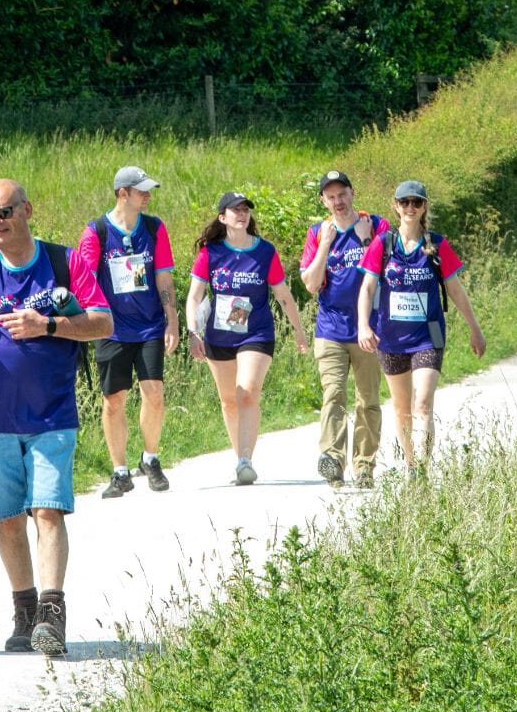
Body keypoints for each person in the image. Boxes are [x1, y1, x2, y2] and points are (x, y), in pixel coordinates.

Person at [0, 179, 112, 658]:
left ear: (27, 209)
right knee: (7, 520)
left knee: (47, 510)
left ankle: (52, 614)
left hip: (51, 414)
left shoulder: (66, 261)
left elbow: (103, 323)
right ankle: (24, 612)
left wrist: (46, 325)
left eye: (4, 211)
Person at [356, 180, 485, 466]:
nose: (410, 208)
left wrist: (475, 328)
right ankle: (412, 466)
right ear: (396, 206)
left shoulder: (437, 244)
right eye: (405, 202)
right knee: (402, 410)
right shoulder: (383, 244)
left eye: (416, 202)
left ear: (424, 206)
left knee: (422, 405)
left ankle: (423, 469)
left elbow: (455, 289)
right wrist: (364, 326)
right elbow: (367, 288)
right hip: (390, 338)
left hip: (428, 336)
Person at [185, 191, 308, 485]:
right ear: (222, 217)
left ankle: (246, 461)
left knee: (247, 391)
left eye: (245, 210)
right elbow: (194, 297)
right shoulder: (210, 253)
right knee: (229, 401)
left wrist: (300, 332)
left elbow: (283, 295)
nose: (242, 214)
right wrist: (192, 333)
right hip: (219, 334)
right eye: (235, 210)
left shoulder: (264, 251)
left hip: (256, 332)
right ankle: (239, 459)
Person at [76, 166, 179, 499]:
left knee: (154, 394)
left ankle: (150, 458)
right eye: (142, 191)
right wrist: (88, 322)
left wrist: (172, 319)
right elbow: (85, 282)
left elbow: (163, 276)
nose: (148, 196)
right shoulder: (96, 232)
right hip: (112, 328)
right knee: (113, 401)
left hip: (150, 325)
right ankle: (120, 472)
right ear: (123, 193)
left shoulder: (154, 227)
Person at [298, 169, 389, 488]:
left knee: (368, 398)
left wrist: (366, 240)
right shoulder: (316, 232)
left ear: (352, 193)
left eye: (342, 194)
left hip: (369, 329)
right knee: (333, 393)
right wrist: (325, 244)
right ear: (323, 200)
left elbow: (387, 270)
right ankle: (333, 460)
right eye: (330, 196)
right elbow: (310, 284)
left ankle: (364, 465)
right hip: (331, 328)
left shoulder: (377, 225)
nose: (337, 201)